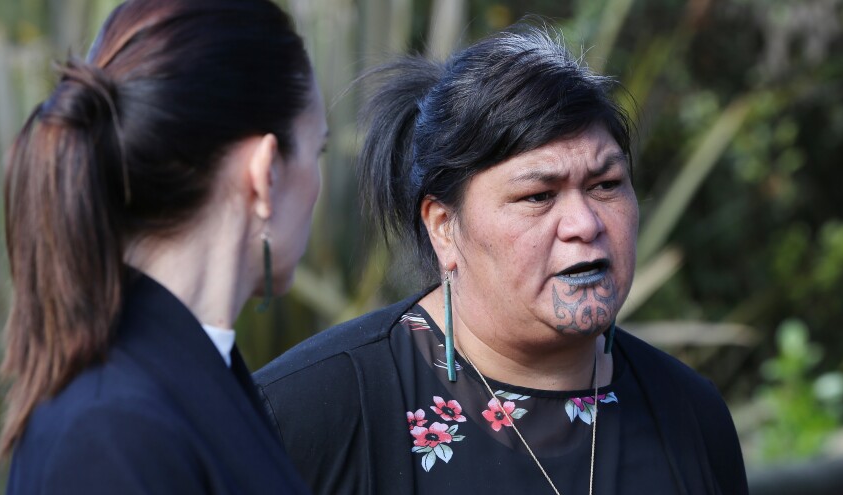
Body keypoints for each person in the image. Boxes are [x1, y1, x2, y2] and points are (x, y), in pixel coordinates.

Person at [253, 23, 748, 494]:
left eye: (606, 185)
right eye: (538, 195)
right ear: (444, 227)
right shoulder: (312, 411)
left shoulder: (689, 414)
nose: (585, 224)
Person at [0, 0, 326, 493]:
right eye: (317, 150)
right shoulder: (112, 434)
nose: (319, 181)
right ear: (265, 173)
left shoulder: (160, 391)